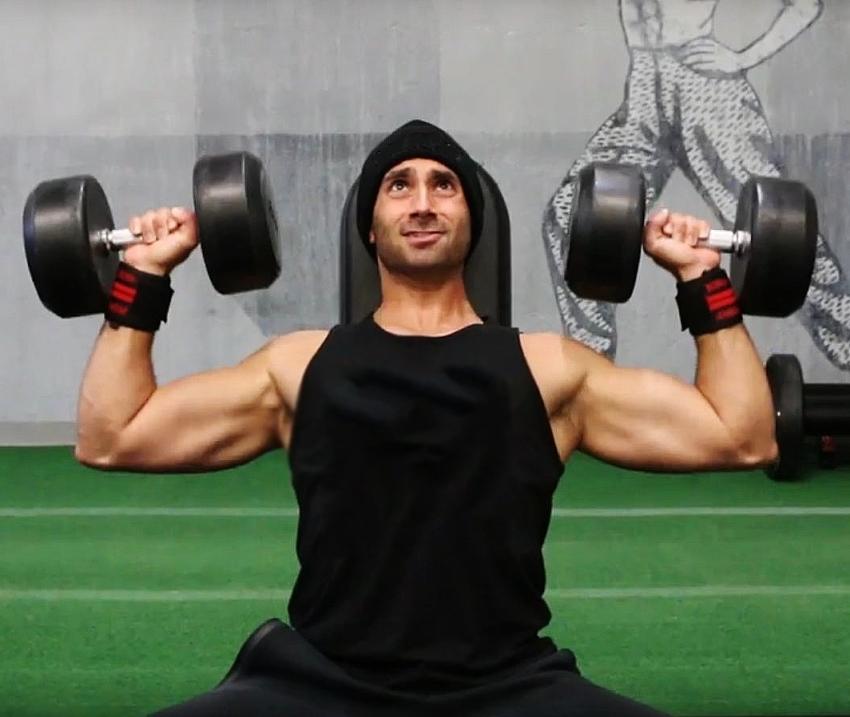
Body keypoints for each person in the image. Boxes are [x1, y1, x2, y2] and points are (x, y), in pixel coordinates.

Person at [75, 120, 777, 716]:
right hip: (321, 684)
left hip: (507, 687)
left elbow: (740, 434)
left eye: (444, 184)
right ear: (371, 230)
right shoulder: (297, 367)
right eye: (398, 184)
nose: (422, 201)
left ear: (470, 223)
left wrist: (700, 276)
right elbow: (114, 435)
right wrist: (143, 272)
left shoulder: (550, 368)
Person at [542, 0, 850, 368]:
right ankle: (591, 371)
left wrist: (741, 58)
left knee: (782, 232)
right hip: (644, 84)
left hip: (704, 87)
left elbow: (804, 5)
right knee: (568, 216)